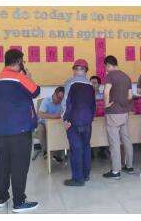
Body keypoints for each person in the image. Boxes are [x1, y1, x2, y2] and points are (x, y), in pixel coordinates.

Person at [0, 49, 40, 212]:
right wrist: (28, 77)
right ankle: (19, 202)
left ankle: (2, 197)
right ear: (19, 61)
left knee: (3, 165)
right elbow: (35, 91)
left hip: (1, 130)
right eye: (22, 62)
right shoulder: (20, 78)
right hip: (20, 130)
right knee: (19, 167)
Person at [61, 59, 95, 187]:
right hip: (87, 121)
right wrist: (90, 118)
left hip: (73, 121)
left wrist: (65, 119)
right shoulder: (90, 85)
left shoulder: (70, 82)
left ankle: (77, 179)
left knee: (76, 149)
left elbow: (66, 103)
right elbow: (93, 105)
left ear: (75, 70)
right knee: (86, 147)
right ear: (86, 71)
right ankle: (86, 175)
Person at [102, 55, 134, 179]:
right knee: (126, 139)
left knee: (114, 142)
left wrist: (106, 105)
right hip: (124, 113)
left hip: (113, 113)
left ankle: (116, 171)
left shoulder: (110, 75)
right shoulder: (126, 76)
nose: (106, 69)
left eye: (106, 67)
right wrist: (124, 104)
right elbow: (130, 96)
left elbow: (106, 91)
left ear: (108, 65)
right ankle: (129, 166)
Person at [36, 86, 65, 163]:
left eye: (62, 99)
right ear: (54, 94)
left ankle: (58, 153)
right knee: (41, 129)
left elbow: (64, 114)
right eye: (59, 98)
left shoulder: (62, 102)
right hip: (44, 123)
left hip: (57, 125)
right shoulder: (46, 100)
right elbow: (40, 114)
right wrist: (54, 116)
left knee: (64, 129)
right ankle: (46, 151)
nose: (60, 100)